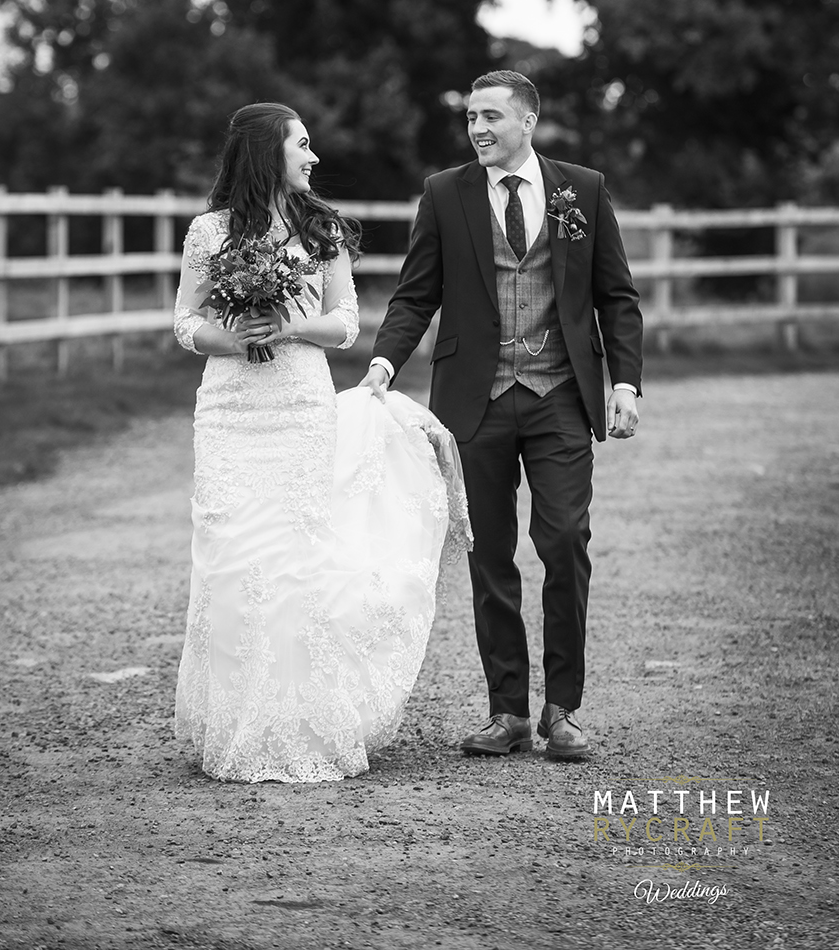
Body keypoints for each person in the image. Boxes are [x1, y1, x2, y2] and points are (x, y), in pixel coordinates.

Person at [173, 102, 470, 783]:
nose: (313, 157)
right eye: (301, 145)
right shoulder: (208, 230)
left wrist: (287, 328)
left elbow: (344, 323)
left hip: (300, 407)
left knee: (291, 566)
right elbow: (185, 322)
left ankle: (297, 725)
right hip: (228, 411)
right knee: (228, 560)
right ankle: (235, 725)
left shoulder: (322, 229)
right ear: (265, 152)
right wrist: (235, 334)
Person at [362, 71, 643, 761]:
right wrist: (384, 364)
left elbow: (617, 296)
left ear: (527, 120)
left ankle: (563, 710)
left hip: (560, 396)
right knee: (488, 554)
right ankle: (508, 710)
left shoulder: (584, 188)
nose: (477, 128)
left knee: (564, 540)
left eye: (490, 116)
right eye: (470, 118)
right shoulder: (444, 193)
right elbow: (413, 295)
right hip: (473, 400)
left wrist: (626, 384)